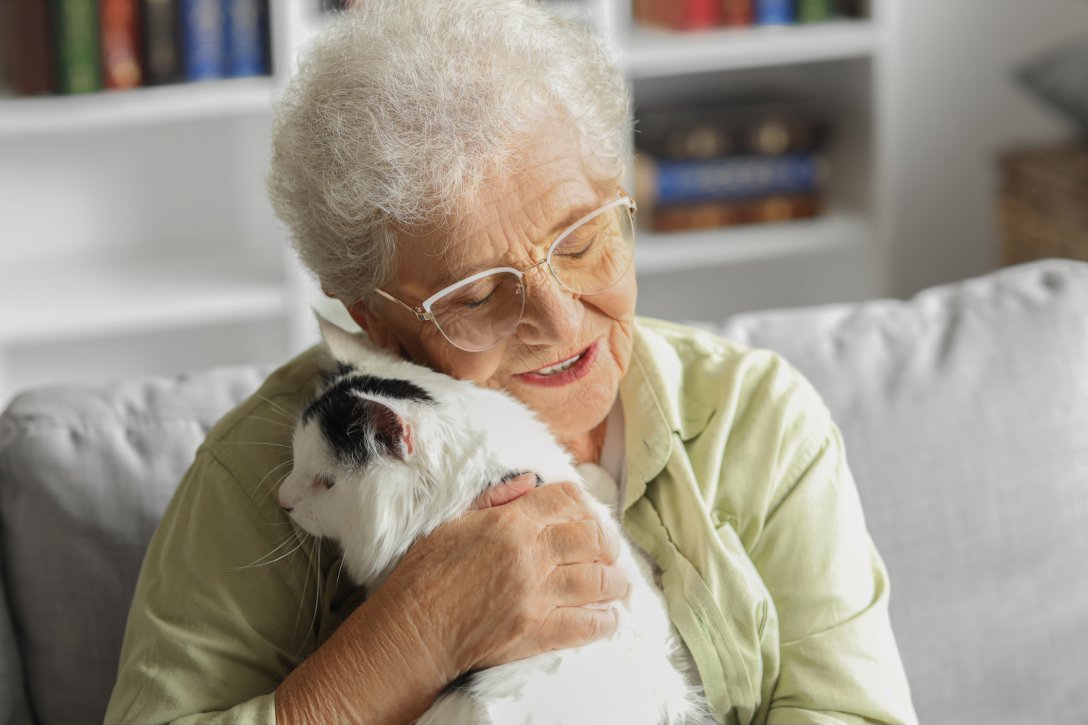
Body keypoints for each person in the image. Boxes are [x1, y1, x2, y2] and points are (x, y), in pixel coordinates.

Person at [104, 1, 917, 723]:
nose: (561, 320)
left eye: (584, 237)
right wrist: (409, 641)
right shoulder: (260, 472)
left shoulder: (759, 421)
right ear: (374, 324)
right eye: (476, 294)